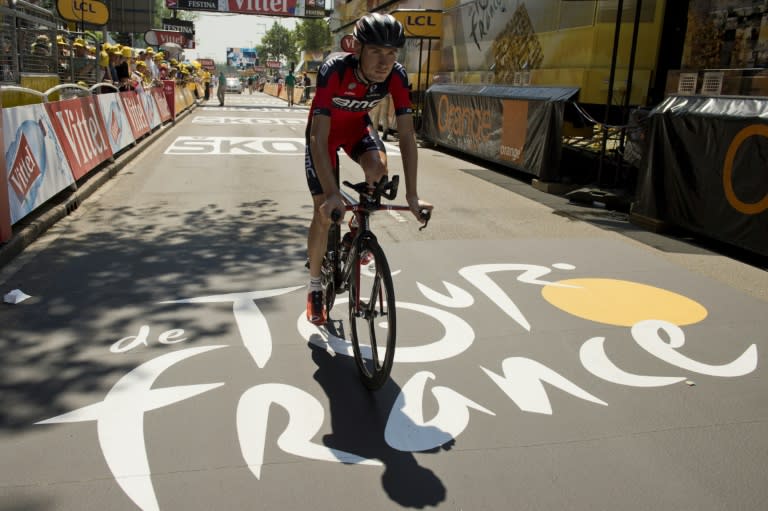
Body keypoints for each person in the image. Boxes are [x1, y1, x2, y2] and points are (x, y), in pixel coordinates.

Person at [303, 13, 433, 325]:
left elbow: (406, 136)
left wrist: (413, 196)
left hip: (356, 132)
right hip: (323, 136)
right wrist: (332, 194)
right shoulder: (334, 69)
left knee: (378, 168)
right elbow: (318, 137)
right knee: (323, 211)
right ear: (358, 49)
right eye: (376, 51)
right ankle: (315, 285)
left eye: (391, 53)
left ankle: (355, 234)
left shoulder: (396, 76)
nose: (384, 61)